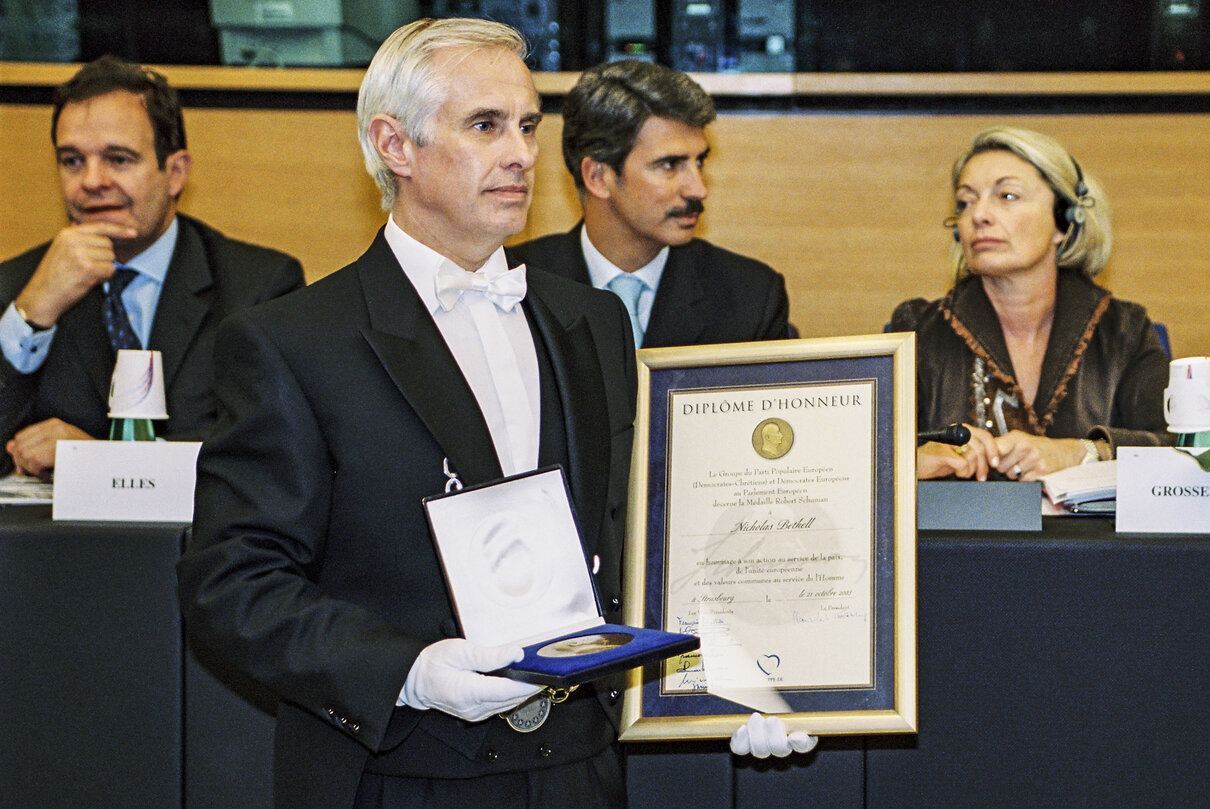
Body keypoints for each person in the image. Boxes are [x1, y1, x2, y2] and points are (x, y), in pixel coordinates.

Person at [177, 19, 638, 809]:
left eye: (528, 125)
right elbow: (231, 580)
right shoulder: (290, 341)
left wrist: (735, 682)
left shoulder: (591, 321)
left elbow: (628, 530)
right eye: (485, 125)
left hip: (577, 772)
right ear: (395, 145)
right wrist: (411, 672)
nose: (523, 153)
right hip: (401, 775)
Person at [0, 55, 304, 478]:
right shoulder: (17, 287)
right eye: (72, 160)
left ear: (175, 172)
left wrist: (99, 461)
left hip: (194, 543)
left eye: (118, 159)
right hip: (59, 544)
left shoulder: (259, 288)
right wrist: (32, 316)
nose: (91, 181)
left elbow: (264, 453)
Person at [891, 127, 1170, 481]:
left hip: (1089, 538)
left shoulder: (1123, 331)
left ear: (1064, 221)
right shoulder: (920, 330)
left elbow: (1182, 450)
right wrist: (910, 459)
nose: (979, 215)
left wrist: (1083, 451)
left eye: (1007, 196)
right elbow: (858, 455)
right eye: (966, 201)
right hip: (961, 537)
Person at [506, 59, 791, 348]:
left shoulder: (752, 298)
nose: (699, 189)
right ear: (598, 177)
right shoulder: (513, 287)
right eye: (669, 165)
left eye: (699, 161)